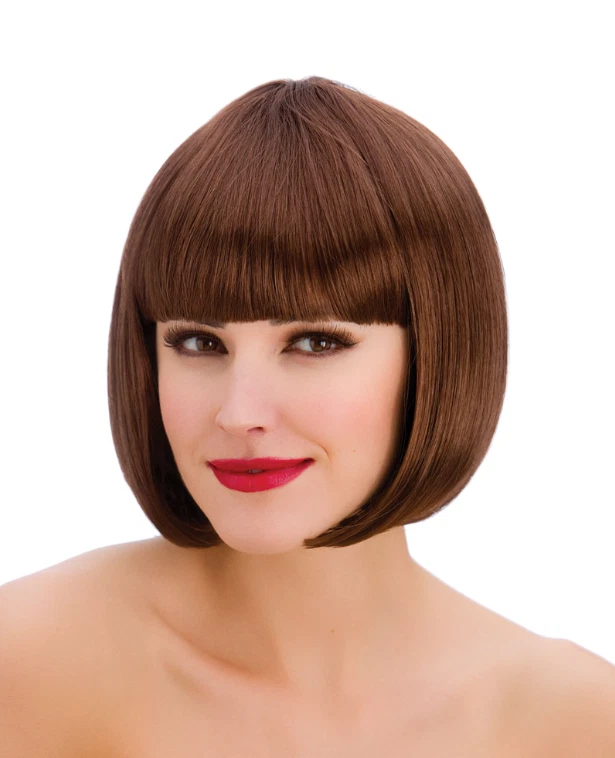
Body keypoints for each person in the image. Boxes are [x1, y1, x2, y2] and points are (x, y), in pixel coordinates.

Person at [2, 76, 614, 756]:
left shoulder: (577, 724)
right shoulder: (29, 663)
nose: (239, 413)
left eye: (316, 343)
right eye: (200, 343)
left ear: (439, 354)